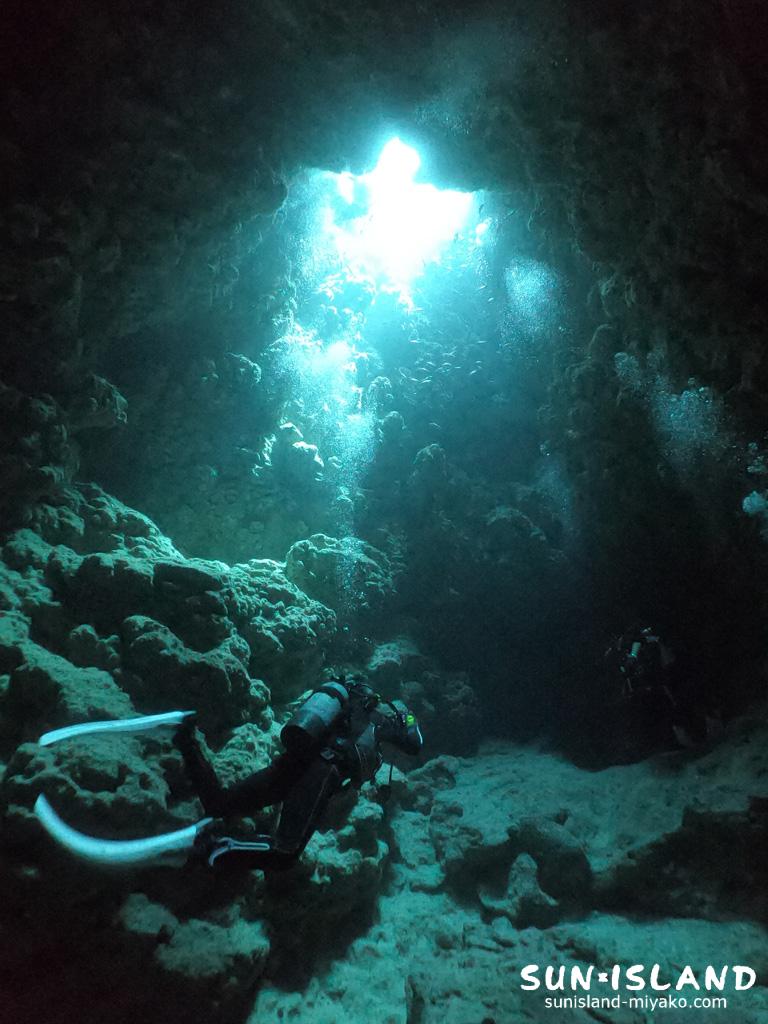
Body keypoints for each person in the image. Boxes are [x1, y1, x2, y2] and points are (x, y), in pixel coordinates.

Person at [174, 676, 423, 871]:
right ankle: (210, 848)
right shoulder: (382, 720)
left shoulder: (349, 707)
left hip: (298, 758)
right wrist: (408, 718)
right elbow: (415, 744)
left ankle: (184, 737)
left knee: (221, 803)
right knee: (285, 854)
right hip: (322, 772)